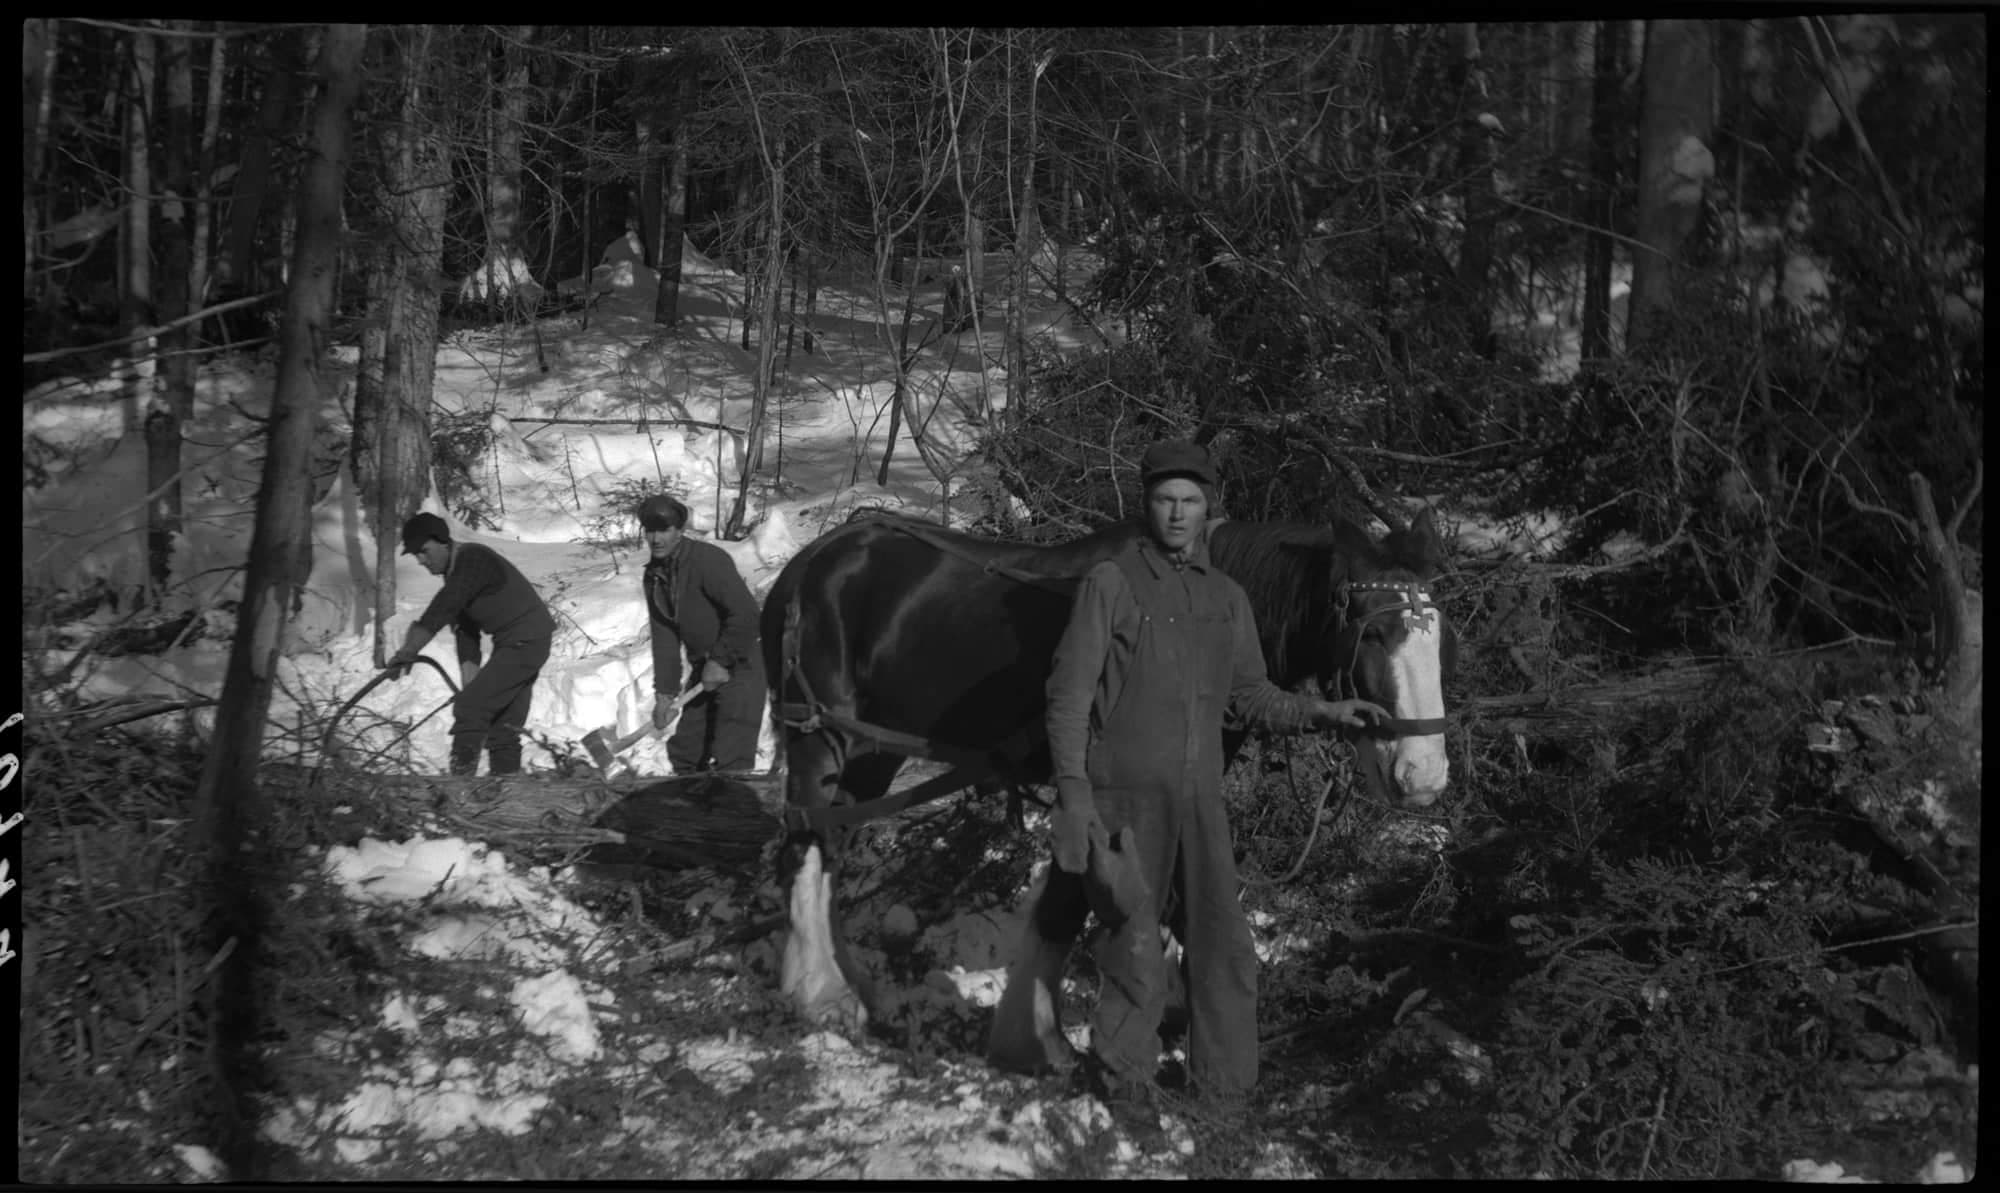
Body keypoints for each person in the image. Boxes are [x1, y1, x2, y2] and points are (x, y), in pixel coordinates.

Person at [1037, 440, 1386, 1129]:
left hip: (1200, 802)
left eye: (1190, 501)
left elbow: (1251, 695)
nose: (1177, 512)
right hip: (1123, 801)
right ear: (1148, 503)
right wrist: (1074, 795)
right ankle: (1126, 1089)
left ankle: (1223, 1097)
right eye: (1165, 498)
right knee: (1134, 946)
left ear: (1208, 508)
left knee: (1224, 946)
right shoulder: (1111, 582)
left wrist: (1322, 710)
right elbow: (1067, 698)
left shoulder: (1227, 598)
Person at [386, 512, 556, 776]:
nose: (421, 560)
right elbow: (466, 633)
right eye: (416, 555)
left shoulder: (472, 560)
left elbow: (441, 609)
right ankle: (508, 796)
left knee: (470, 708)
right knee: (504, 727)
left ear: (442, 541)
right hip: (520, 643)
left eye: (424, 551)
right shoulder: (455, 575)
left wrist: (408, 650)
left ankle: (459, 791)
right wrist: (471, 684)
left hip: (525, 640)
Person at [637, 494, 765, 773]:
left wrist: (720, 660)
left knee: (731, 758)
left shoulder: (707, 561)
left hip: (741, 664)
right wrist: (664, 694)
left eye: (664, 530)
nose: (656, 538)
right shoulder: (655, 577)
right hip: (704, 669)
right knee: (687, 753)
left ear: (680, 530)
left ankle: (736, 813)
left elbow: (746, 615)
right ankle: (687, 813)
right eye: (650, 530)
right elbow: (665, 638)